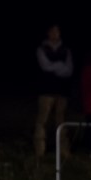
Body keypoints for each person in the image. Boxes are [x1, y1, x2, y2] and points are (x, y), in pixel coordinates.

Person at [34, 23, 74, 158]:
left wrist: (56, 67)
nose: (55, 34)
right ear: (48, 33)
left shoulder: (65, 50)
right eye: (52, 31)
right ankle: (40, 151)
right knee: (42, 121)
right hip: (46, 90)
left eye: (57, 31)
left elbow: (69, 70)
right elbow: (45, 66)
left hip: (62, 91)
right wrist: (59, 65)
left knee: (61, 122)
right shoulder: (42, 49)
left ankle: (64, 151)